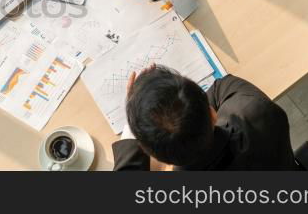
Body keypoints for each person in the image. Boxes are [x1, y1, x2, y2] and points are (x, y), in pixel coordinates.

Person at [113, 65, 297, 170]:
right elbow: (220, 88)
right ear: (212, 113)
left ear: (150, 154)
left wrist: (135, 125)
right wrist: (186, 109)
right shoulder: (255, 112)